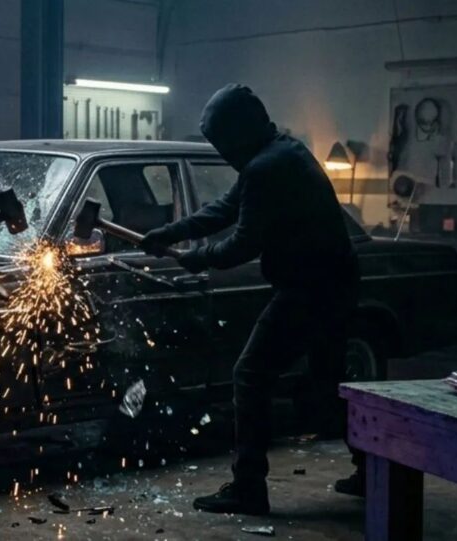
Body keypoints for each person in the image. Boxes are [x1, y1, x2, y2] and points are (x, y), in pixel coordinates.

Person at [140, 84, 362, 515]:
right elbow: (225, 208)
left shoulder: (268, 167)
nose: (221, 151)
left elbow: (242, 243)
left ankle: (248, 487)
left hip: (311, 290)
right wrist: (171, 233)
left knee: (250, 374)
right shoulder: (278, 153)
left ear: (238, 133)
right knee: (328, 382)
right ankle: (372, 469)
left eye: (221, 141)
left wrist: (196, 258)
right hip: (331, 283)